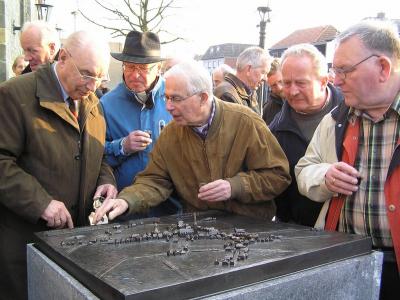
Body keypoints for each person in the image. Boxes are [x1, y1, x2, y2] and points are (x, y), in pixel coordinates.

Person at [93, 60, 291, 225]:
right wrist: (127, 200)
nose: (168, 107)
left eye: (176, 99)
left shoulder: (246, 122)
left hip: (249, 228)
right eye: (166, 97)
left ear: (203, 98)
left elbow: (278, 176)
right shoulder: (171, 134)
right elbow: (155, 180)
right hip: (199, 230)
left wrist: (236, 186)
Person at [0, 31, 117, 300]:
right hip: (25, 243)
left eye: (100, 77)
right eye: (87, 73)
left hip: (74, 243)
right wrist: (41, 202)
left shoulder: (93, 103)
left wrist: (106, 181)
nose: (93, 84)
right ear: (62, 57)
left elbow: (99, 157)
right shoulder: (14, 94)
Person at [295, 20, 400, 299]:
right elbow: (304, 169)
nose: (336, 79)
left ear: (383, 67)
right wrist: (325, 176)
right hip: (346, 260)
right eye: (334, 70)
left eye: (344, 70)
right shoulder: (336, 119)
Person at [101, 31, 178, 217]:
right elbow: (95, 156)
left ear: (158, 68)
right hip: (125, 211)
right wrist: (122, 146)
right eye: (129, 67)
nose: (135, 75)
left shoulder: (176, 96)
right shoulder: (106, 104)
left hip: (172, 208)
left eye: (143, 68)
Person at [269, 44, 343, 227]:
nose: (292, 91)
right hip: (296, 233)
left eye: (301, 83)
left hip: (346, 232)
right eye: (287, 83)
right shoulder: (274, 130)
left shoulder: (351, 116)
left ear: (324, 81)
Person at [214, 46, 271, 114]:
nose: (265, 79)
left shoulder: (250, 93)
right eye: (263, 72)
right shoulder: (227, 95)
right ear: (249, 69)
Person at [262, 58, 285, 125]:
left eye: (281, 81)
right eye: (274, 85)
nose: (279, 88)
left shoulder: (301, 102)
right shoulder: (268, 109)